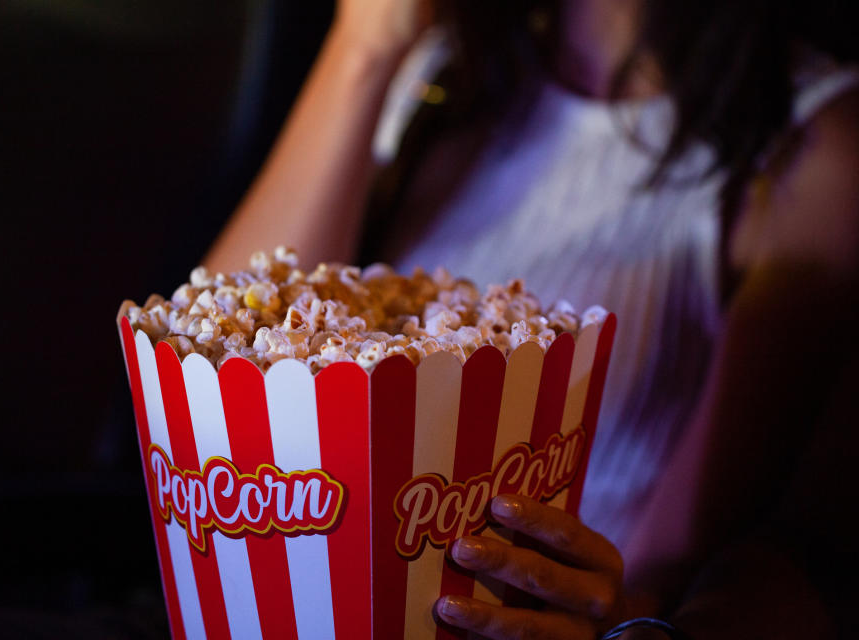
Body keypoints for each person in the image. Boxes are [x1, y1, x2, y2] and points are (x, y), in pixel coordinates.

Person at [204, 0, 859, 638]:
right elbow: (208, 390)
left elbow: (682, 577)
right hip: (318, 596)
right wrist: (365, 48)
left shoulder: (812, 144)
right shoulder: (446, 74)